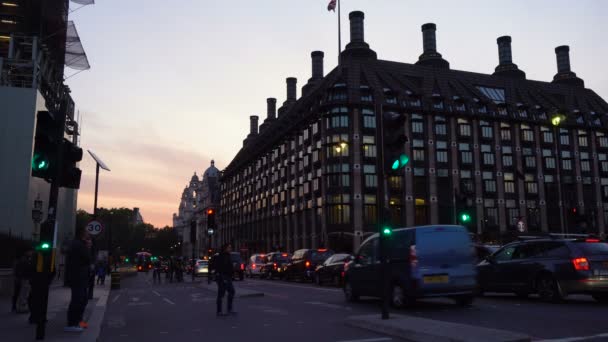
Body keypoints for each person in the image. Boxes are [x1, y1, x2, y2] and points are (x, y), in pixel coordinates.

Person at [64, 226, 92, 332]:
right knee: (78, 300)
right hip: (77, 277)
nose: (88, 233)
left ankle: (79, 321)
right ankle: (72, 323)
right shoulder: (79, 245)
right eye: (86, 232)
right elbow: (87, 259)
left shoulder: (78, 244)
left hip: (80, 277)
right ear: (82, 233)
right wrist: (88, 248)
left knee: (82, 299)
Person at [214, 244, 236, 316]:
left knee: (231, 291)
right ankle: (219, 311)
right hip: (223, 276)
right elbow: (220, 267)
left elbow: (228, 266)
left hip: (227, 276)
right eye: (229, 247)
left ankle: (228, 309)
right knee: (221, 293)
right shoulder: (222, 256)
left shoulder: (227, 255)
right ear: (225, 248)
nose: (230, 249)